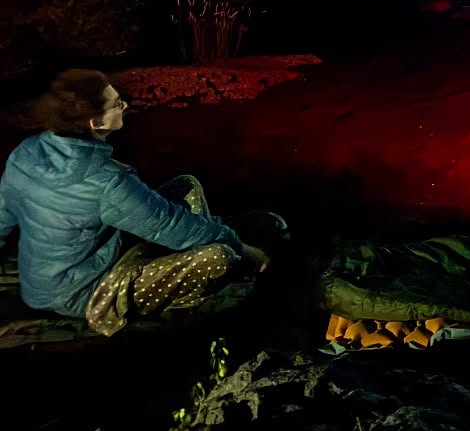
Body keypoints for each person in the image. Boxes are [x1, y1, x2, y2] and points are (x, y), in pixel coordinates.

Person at [0, 70, 276, 336]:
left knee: (186, 186)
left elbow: (2, 218)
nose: (126, 106)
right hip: (86, 294)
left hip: (39, 285)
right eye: (118, 104)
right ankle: (206, 285)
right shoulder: (107, 181)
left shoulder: (27, 152)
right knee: (218, 258)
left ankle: (220, 231)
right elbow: (172, 226)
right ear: (96, 123)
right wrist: (245, 250)